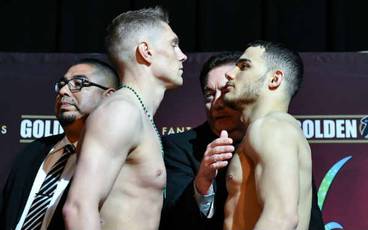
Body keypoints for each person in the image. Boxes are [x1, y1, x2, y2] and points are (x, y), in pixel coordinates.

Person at [160, 51, 324, 230]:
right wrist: (202, 185)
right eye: (209, 95)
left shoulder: (273, 129)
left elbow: (286, 218)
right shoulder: (181, 146)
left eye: (226, 90)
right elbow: (172, 219)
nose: (217, 102)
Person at [62, 7, 187, 230]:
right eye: (174, 44)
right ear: (146, 51)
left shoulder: (138, 113)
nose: (182, 55)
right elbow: (79, 207)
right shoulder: (121, 111)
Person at [0, 58, 119, 230]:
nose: (63, 91)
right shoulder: (34, 150)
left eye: (78, 83)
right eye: (62, 84)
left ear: (109, 96)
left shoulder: (117, 160)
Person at [223, 41, 312, 230]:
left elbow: (280, 219)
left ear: (274, 79)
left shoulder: (271, 127)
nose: (229, 74)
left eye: (244, 66)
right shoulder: (271, 128)